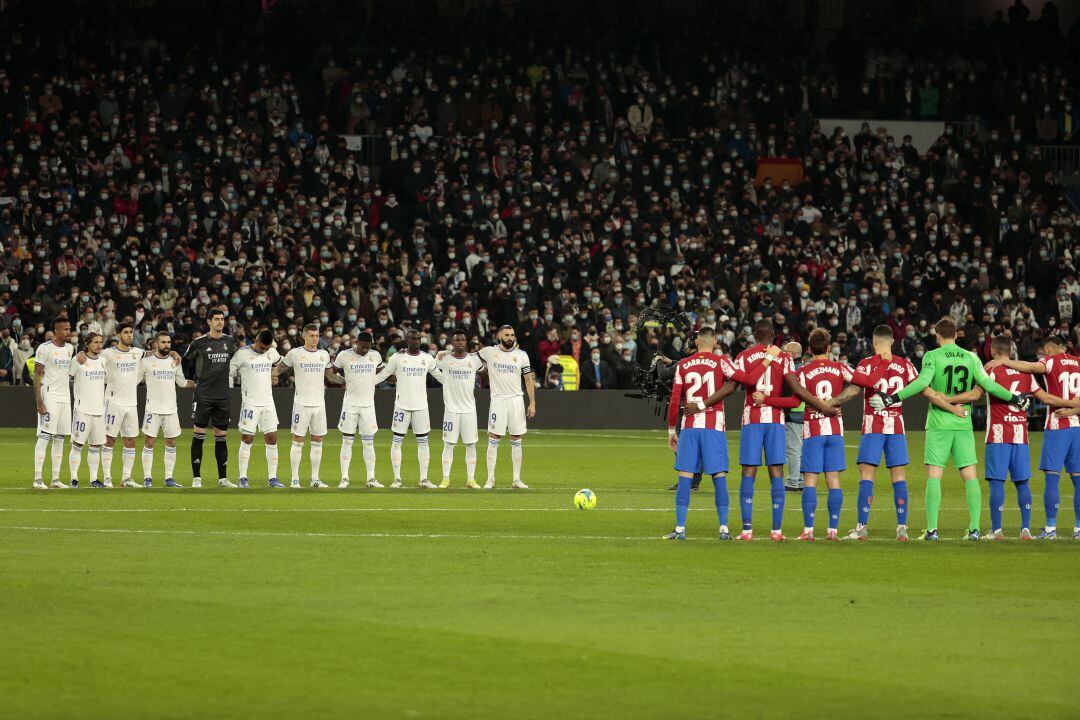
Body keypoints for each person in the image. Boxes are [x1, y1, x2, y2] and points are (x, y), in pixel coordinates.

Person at [871, 317, 1032, 541]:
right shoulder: (971, 357)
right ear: (956, 335)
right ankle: (975, 529)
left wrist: (892, 398)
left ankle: (932, 530)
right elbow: (988, 385)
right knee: (970, 476)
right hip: (963, 421)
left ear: (937, 337)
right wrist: (1015, 397)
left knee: (935, 476)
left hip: (939, 422)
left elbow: (921, 383)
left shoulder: (933, 356)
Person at [947, 336, 1080, 540]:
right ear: (1010, 351)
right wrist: (1073, 406)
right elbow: (1044, 398)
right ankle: (1025, 529)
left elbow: (975, 394)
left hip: (999, 435)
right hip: (1021, 436)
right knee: (1023, 483)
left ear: (992, 352)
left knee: (997, 482)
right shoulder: (1026, 374)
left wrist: (948, 400)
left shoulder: (991, 370)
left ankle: (997, 531)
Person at [662, 327, 767, 540]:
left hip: (690, 427)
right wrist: (766, 362)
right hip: (714, 427)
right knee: (719, 476)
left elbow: (674, 400)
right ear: (715, 341)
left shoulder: (683, 364)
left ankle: (680, 528)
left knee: (685, 476)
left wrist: (672, 430)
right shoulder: (722, 362)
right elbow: (748, 380)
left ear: (697, 342)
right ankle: (724, 528)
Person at [840, 325, 920, 541]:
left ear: (874, 342)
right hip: (896, 426)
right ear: (892, 341)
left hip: (873, 425)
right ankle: (902, 527)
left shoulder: (866, 364)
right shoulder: (905, 365)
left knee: (867, 475)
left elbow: (855, 390)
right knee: (899, 476)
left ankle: (861, 528)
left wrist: (831, 403)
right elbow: (920, 386)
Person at [373, 329, 443, 488]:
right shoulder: (397, 357)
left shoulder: (427, 358)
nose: (416, 341)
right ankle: (397, 479)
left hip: (421, 407)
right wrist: (366, 382)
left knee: (423, 442)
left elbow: (440, 377)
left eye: (418, 338)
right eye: (413, 338)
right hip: (402, 406)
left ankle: (424, 479)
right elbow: (384, 375)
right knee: (397, 441)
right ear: (407, 340)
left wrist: (456, 384)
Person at [182, 308, 240, 489]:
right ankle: (196, 478)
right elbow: (185, 362)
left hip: (222, 395)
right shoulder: (198, 343)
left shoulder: (230, 342)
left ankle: (223, 479)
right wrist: (193, 380)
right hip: (203, 395)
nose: (220, 322)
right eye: (216, 319)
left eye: (222, 319)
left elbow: (237, 360)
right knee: (199, 434)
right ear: (209, 321)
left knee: (221, 437)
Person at [279, 324, 342, 488]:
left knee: (318, 439)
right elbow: (279, 369)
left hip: (319, 404)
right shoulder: (295, 353)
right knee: (298, 439)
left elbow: (330, 376)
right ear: (304, 336)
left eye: (317, 335)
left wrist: (347, 380)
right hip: (301, 404)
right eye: (312, 335)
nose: (315, 339)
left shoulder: (324, 355)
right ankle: (294, 479)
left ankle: (315, 478)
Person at [477, 325, 536, 489]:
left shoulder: (521, 355)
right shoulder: (489, 352)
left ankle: (516, 479)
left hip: (516, 400)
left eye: (512, 335)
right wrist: (447, 355)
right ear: (499, 336)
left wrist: (532, 403)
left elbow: (528, 380)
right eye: (507, 335)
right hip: (498, 400)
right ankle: (490, 479)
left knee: (517, 438)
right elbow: (469, 358)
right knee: (494, 438)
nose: (510, 337)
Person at [230, 329, 283, 489]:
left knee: (272, 438)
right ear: (255, 340)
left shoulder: (271, 352)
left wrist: (275, 373)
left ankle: (273, 478)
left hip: (268, 403)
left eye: (266, 348)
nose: (264, 350)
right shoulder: (242, 353)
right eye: (261, 347)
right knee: (247, 438)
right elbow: (229, 371)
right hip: (250, 403)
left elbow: (282, 363)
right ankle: (243, 477)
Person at [139, 332, 193, 488]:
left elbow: (182, 383)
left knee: (171, 442)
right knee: (149, 442)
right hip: (152, 409)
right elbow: (135, 380)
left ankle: (169, 478)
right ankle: (147, 477)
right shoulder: (146, 362)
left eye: (168, 342)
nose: (166, 345)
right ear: (156, 343)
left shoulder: (174, 361)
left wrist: (199, 384)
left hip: (170, 409)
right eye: (163, 342)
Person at [333, 331, 384, 489]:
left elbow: (381, 373)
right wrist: (343, 381)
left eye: (368, 347)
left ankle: (371, 478)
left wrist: (372, 381)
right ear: (356, 342)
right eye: (363, 346)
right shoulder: (344, 355)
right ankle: (344, 478)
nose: (365, 350)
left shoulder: (375, 356)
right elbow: (331, 373)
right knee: (347, 441)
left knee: (369, 443)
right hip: (350, 404)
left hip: (368, 405)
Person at [100, 322, 146, 488]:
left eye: (131, 332)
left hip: (131, 404)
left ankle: (126, 479)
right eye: (126, 332)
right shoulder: (108, 353)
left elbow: (154, 354)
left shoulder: (137, 353)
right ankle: (106, 478)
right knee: (109, 440)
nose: (129, 335)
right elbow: (91, 354)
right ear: (118, 334)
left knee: (131, 440)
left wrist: (173, 352)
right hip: (113, 403)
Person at [436, 330, 484, 488]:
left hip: (469, 409)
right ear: (452, 342)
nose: (460, 342)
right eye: (457, 340)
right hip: (451, 409)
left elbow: (486, 373)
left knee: (471, 445)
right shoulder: (443, 359)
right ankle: (445, 478)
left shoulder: (474, 360)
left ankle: (471, 479)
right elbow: (428, 365)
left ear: (467, 342)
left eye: (463, 340)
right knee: (449, 444)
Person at [33, 317, 74, 489]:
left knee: (60, 438)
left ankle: (55, 479)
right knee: (44, 436)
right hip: (50, 396)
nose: (69, 331)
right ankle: (37, 479)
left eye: (69, 328)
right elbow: (37, 375)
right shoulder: (44, 348)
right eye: (65, 329)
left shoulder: (71, 348)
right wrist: (39, 401)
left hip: (65, 397)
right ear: (56, 331)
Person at [68, 332, 107, 488]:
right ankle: (74, 478)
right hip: (82, 409)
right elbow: (68, 377)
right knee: (77, 445)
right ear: (88, 344)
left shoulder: (103, 361)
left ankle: (93, 479)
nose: (99, 345)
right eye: (96, 342)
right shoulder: (78, 360)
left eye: (100, 342)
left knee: (95, 446)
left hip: (99, 410)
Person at [782, 342, 805, 492]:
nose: (784, 355)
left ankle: (793, 480)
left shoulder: (792, 371)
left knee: (793, 449)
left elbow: (787, 393)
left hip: (794, 413)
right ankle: (802, 480)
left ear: (793, 354)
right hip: (805, 413)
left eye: (786, 352)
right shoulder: (806, 368)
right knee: (801, 449)